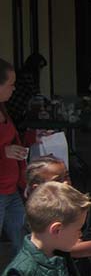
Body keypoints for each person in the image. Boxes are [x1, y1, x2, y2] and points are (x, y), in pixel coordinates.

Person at [0, 59, 28, 255]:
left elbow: (10, 139)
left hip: (11, 189)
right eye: (10, 84)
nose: (14, 88)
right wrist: (4, 153)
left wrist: (33, 138)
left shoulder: (3, 109)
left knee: (23, 239)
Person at [6, 52, 47, 129]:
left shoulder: (27, 74)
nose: (40, 69)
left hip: (18, 107)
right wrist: (47, 101)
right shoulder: (26, 74)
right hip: (15, 106)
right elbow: (35, 92)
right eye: (40, 66)